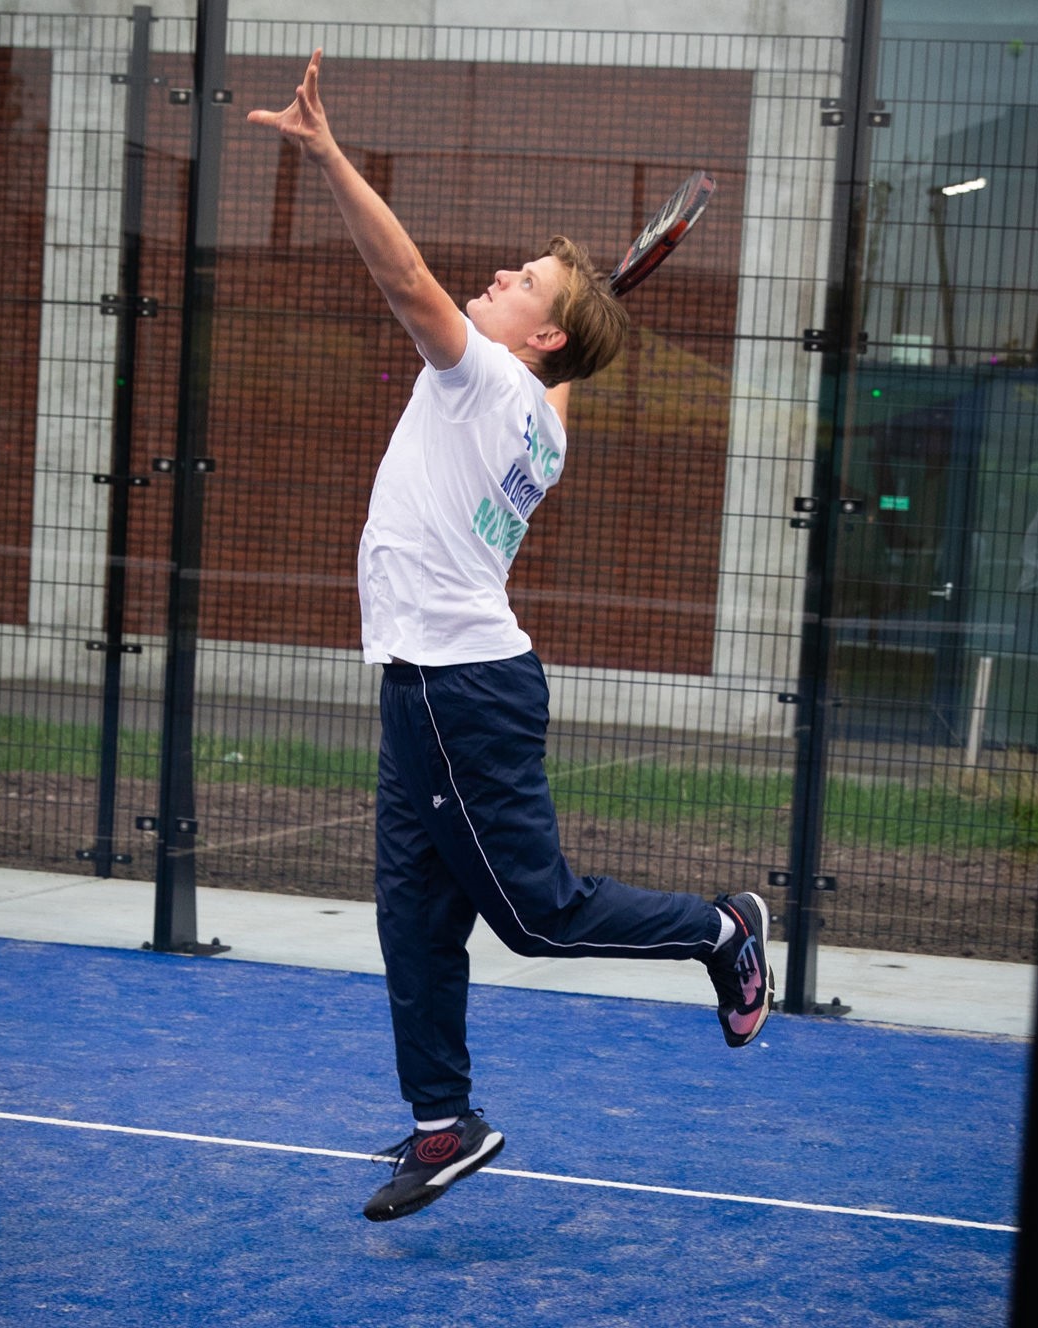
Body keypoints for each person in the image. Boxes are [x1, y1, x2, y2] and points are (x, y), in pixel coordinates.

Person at [248, 50, 773, 1224]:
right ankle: (444, 1122)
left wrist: (328, 155)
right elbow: (558, 368)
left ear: (534, 341)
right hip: (429, 686)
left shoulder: (487, 377)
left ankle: (721, 926)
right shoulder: (537, 409)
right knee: (413, 917)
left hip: (458, 688)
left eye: (521, 279)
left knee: (535, 915)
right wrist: (574, 313)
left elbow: (403, 277)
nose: (495, 274)